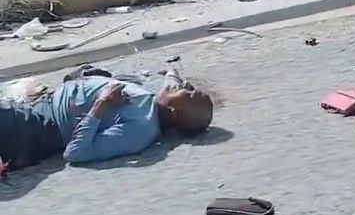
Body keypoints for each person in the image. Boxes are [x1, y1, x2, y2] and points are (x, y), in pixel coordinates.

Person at [0, 68, 214, 171]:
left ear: (174, 113)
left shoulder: (140, 130)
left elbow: (76, 153)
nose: (186, 84)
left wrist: (101, 105)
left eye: (190, 93)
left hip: (40, 127)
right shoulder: (153, 101)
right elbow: (173, 77)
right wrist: (172, 73)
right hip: (40, 105)